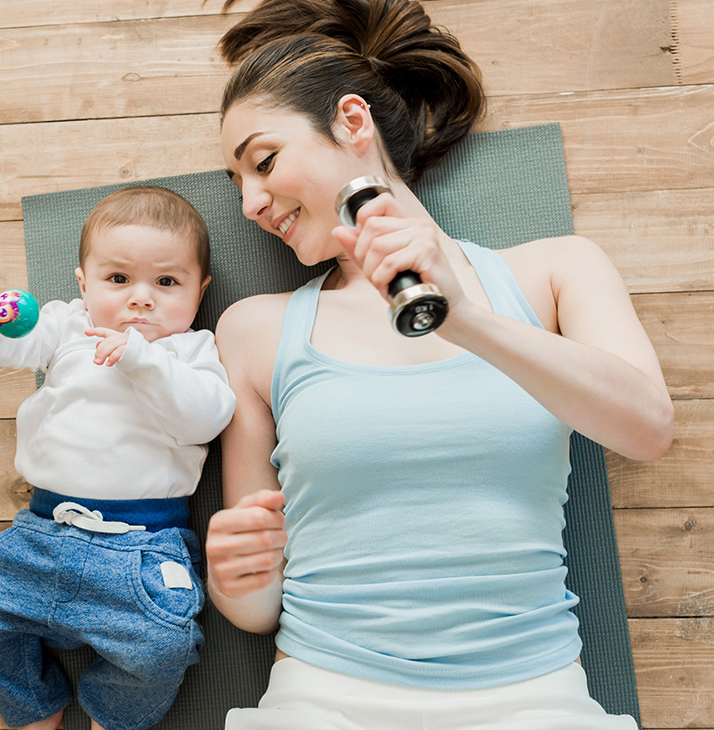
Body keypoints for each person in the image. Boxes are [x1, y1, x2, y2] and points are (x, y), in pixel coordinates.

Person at [205, 1, 674, 728]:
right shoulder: (253, 331)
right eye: (239, 184)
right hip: (325, 697)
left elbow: (647, 429)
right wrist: (236, 573)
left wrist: (466, 317)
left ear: (352, 123)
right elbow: (257, 612)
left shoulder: (556, 272)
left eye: (262, 163)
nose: (250, 203)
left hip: (533, 697)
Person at [0, 186, 236, 730]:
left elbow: (208, 418)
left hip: (141, 551)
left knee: (163, 648)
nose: (141, 299)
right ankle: (34, 704)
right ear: (84, 284)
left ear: (201, 290)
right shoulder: (68, 325)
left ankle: (110, 713)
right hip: (41, 533)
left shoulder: (191, 351)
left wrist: (144, 361)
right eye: (118, 279)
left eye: (167, 282)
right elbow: (20, 341)